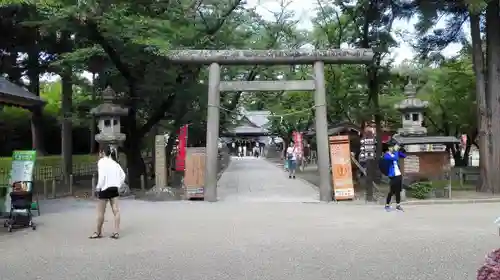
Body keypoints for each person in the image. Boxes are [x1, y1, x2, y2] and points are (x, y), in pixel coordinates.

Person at [89, 146, 126, 239]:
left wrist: (98, 187)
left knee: (101, 212)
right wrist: (119, 184)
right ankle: (116, 232)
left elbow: (102, 176)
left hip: (104, 188)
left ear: (102, 153)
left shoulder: (101, 162)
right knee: (116, 210)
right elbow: (123, 175)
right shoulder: (115, 163)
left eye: (100, 153)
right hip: (114, 188)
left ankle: (98, 232)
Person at [383, 142, 406, 211]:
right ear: (388, 148)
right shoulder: (386, 155)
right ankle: (387, 205)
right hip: (393, 176)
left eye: (393, 147)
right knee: (392, 191)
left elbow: (404, 156)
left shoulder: (395, 153)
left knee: (398, 191)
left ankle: (398, 205)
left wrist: (400, 149)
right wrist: (396, 151)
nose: (392, 148)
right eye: (391, 147)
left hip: (398, 175)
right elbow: (395, 158)